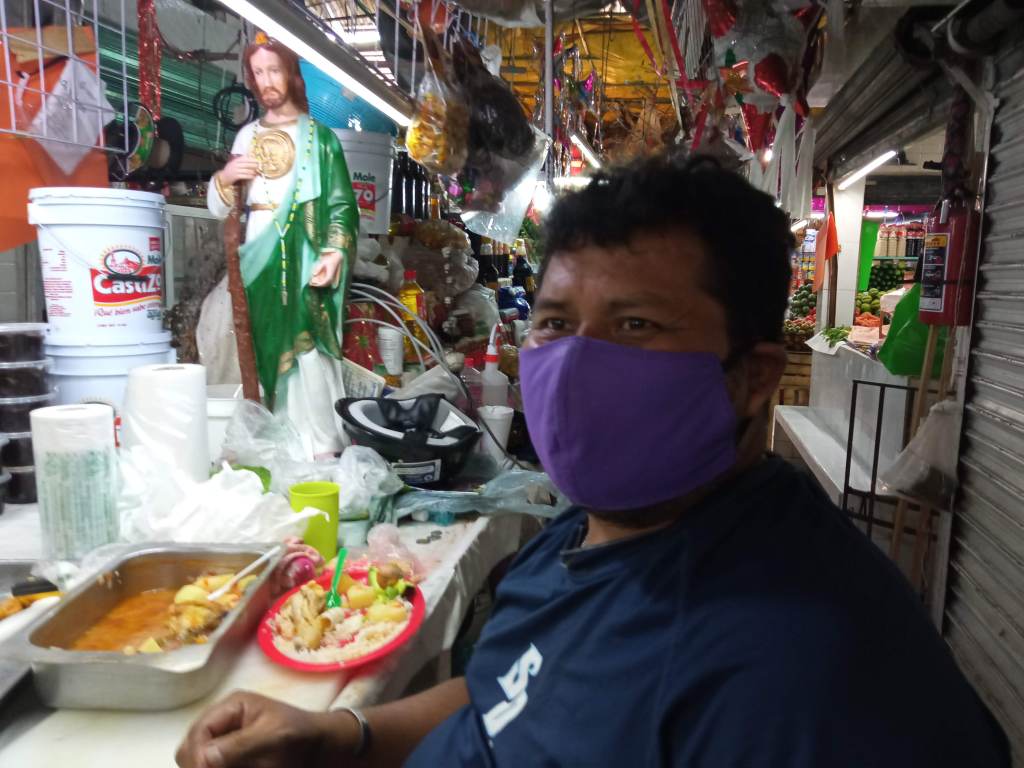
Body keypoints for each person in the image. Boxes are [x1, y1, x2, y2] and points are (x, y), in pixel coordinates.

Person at [177, 156, 1010, 768]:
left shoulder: (796, 676)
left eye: (635, 325)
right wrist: (342, 736)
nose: (576, 364)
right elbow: (512, 689)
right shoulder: (597, 527)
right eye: (553, 323)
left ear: (753, 379)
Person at [203, 33, 359, 456]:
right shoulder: (247, 136)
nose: (267, 80)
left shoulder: (320, 139)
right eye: (258, 72)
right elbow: (219, 207)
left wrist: (334, 252)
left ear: (290, 73)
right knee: (265, 349)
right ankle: (282, 441)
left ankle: (321, 442)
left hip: (308, 255)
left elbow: (342, 205)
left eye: (274, 70)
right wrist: (227, 177)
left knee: (310, 350)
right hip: (259, 257)